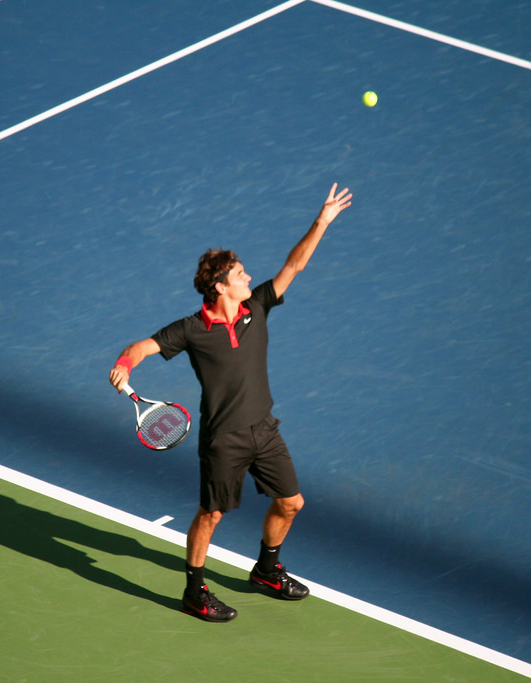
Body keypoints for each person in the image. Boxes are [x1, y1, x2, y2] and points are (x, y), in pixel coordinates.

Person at [109, 183, 352, 621]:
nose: (247, 277)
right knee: (212, 513)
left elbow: (294, 265)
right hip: (225, 439)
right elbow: (143, 346)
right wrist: (125, 363)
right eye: (239, 274)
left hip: (265, 429)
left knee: (291, 502)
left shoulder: (257, 307)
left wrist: (322, 222)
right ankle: (193, 591)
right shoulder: (191, 329)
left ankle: (266, 568)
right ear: (221, 287)